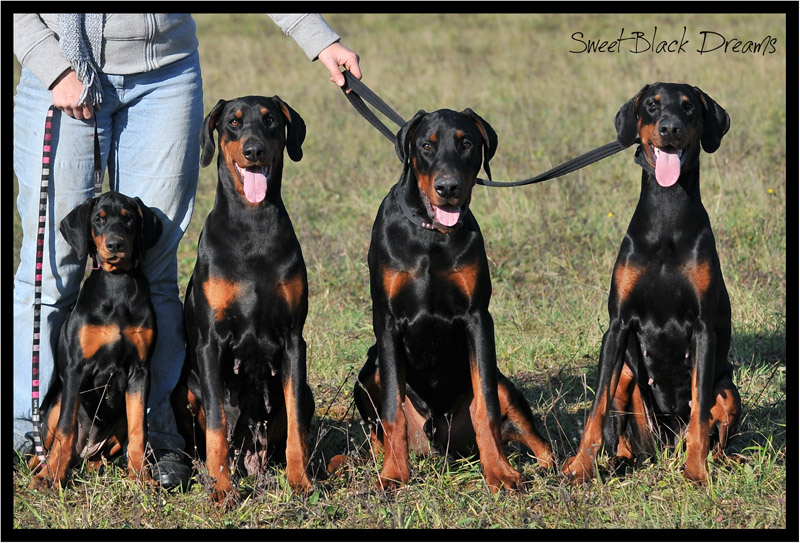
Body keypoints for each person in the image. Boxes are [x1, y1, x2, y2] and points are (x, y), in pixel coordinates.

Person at [13, 13, 362, 491]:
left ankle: (159, 436)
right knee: (53, 272)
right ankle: (29, 432)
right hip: (58, 68)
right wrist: (52, 66)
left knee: (155, 268)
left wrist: (319, 39)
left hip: (164, 74)